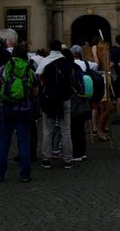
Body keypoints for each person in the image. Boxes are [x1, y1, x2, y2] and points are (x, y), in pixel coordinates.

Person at [0, 43, 37, 182]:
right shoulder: (30, 69)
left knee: (4, 141)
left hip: (6, 107)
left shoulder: (3, 68)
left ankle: (0, 173)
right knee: (23, 141)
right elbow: (35, 92)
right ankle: (25, 174)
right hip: (24, 109)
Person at [36, 39, 75, 169]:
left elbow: (40, 79)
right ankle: (67, 160)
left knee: (47, 130)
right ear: (60, 49)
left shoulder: (45, 61)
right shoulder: (66, 62)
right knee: (65, 130)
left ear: (50, 48)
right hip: (64, 98)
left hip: (49, 98)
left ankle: (46, 159)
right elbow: (71, 78)